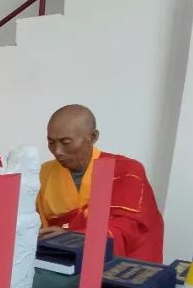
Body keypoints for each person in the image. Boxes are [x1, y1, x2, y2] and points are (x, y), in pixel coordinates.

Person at [37, 104, 164, 261]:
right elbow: (39, 226)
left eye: (66, 142)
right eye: (51, 142)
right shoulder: (44, 173)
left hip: (108, 266)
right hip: (60, 260)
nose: (58, 151)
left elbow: (129, 229)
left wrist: (72, 237)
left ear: (93, 136)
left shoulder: (126, 171)